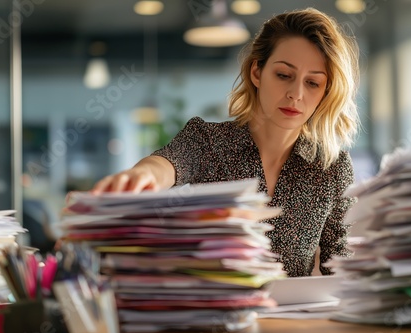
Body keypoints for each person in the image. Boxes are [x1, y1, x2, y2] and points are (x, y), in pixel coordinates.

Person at [91, 7, 360, 277]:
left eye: (313, 83)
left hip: (290, 318)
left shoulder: (331, 169)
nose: (296, 94)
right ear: (257, 72)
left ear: (326, 92)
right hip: (211, 315)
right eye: (283, 75)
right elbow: (169, 162)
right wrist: (141, 176)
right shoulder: (208, 141)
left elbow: (343, 269)